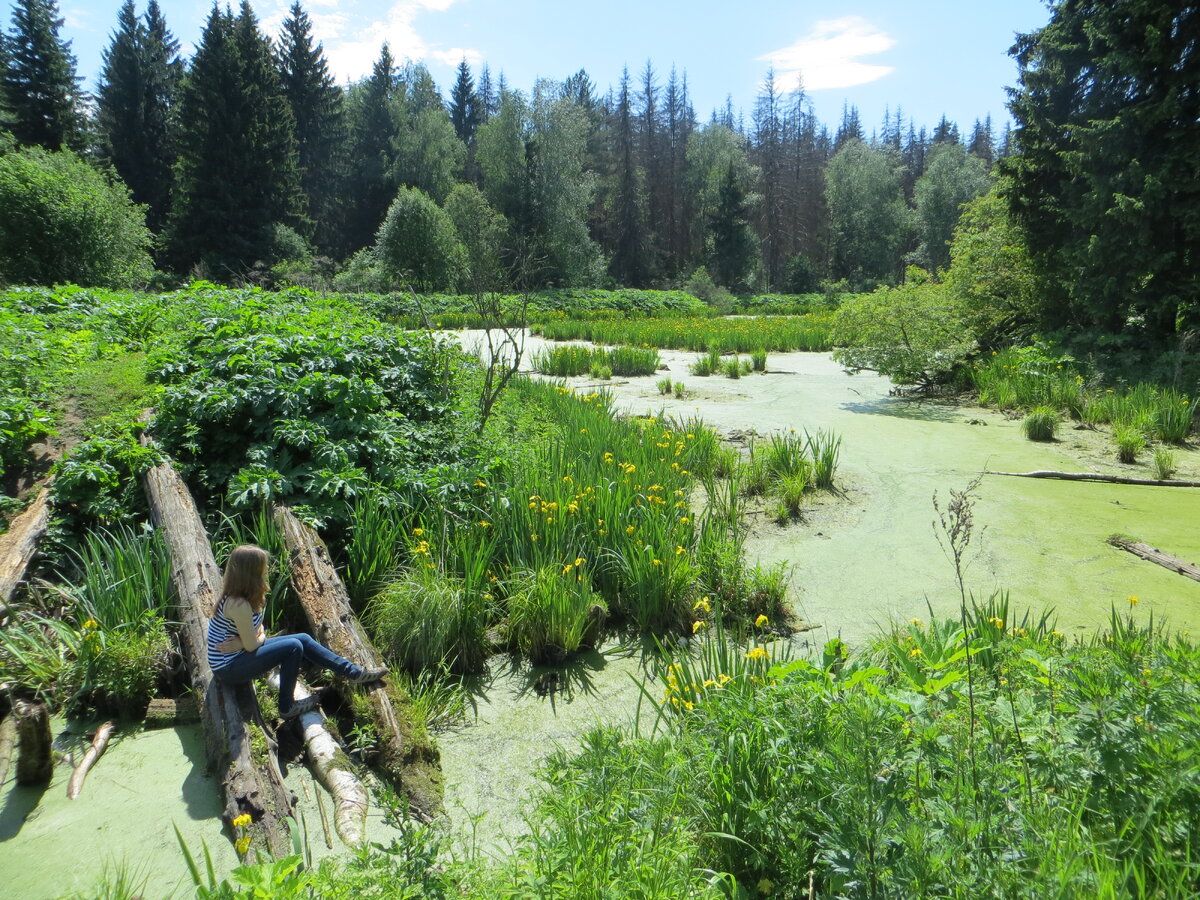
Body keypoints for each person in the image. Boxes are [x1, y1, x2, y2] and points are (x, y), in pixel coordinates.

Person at [207, 544, 387, 719]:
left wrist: (249, 638)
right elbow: (253, 644)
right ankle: (287, 706)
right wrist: (258, 637)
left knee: (303, 638)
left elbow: (254, 632)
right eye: (263, 566)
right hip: (228, 668)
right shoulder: (238, 604)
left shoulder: (243, 595)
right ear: (251, 573)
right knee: (293, 647)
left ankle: (352, 672)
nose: (267, 569)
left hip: (239, 653)